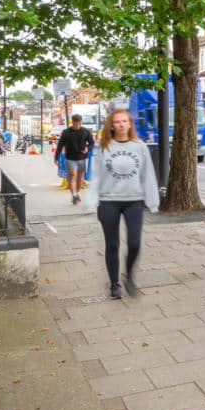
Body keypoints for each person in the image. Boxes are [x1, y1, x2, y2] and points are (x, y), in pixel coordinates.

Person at [85, 109, 159, 300]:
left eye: (124, 121)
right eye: (117, 121)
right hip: (108, 201)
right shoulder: (104, 147)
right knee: (112, 244)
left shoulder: (140, 147)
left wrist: (152, 201)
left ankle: (129, 276)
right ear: (111, 125)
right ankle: (114, 284)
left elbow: (148, 175)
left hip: (133, 201)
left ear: (130, 124)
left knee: (134, 243)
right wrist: (92, 201)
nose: (121, 124)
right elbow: (97, 176)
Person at [55, 114, 95, 205]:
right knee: (72, 175)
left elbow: (92, 143)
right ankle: (73, 194)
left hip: (81, 157)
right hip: (70, 157)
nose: (77, 126)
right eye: (75, 124)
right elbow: (60, 145)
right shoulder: (66, 132)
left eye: (79, 124)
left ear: (81, 122)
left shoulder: (85, 131)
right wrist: (56, 157)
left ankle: (76, 193)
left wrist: (87, 149)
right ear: (72, 122)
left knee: (80, 178)